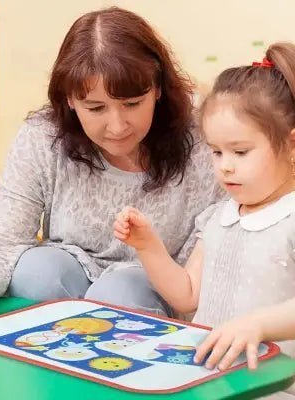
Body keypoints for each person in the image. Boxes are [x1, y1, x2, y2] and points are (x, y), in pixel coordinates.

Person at [0, 6, 223, 343]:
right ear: (70, 100)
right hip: (67, 278)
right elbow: (2, 240)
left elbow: (217, 242)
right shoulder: (43, 136)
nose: (118, 126)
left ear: (158, 89)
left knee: (122, 294)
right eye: (95, 108)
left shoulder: (203, 135)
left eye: (133, 103)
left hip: (163, 288)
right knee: (37, 270)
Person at [114, 43, 295, 396]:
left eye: (240, 152)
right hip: (209, 382)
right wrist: (148, 246)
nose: (225, 165)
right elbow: (187, 295)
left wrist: (258, 325)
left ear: (291, 146)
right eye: (216, 151)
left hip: (274, 387)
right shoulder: (220, 215)